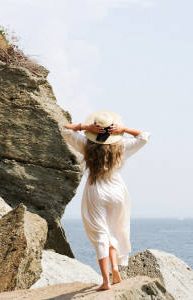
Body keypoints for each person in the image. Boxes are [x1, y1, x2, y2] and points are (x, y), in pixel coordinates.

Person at [61, 110, 150, 291]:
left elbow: (64, 130)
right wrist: (123, 129)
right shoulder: (123, 146)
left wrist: (84, 127)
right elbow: (144, 136)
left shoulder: (85, 144)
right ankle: (115, 269)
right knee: (113, 230)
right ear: (113, 129)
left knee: (100, 234)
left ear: (95, 129)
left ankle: (106, 281)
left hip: (96, 191)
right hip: (117, 192)